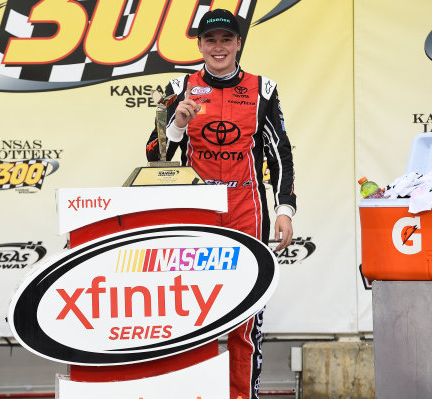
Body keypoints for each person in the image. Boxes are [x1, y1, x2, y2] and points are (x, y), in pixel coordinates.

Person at [145, 8, 296, 399]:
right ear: (199, 45)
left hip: (247, 206)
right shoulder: (179, 87)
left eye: (226, 39)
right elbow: (154, 156)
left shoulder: (264, 89)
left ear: (238, 43)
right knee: (193, 311)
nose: (218, 47)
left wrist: (283, 209)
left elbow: (279, 154)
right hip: (196, 209)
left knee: (246, 317)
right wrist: (176, 123)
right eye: (210, 40)